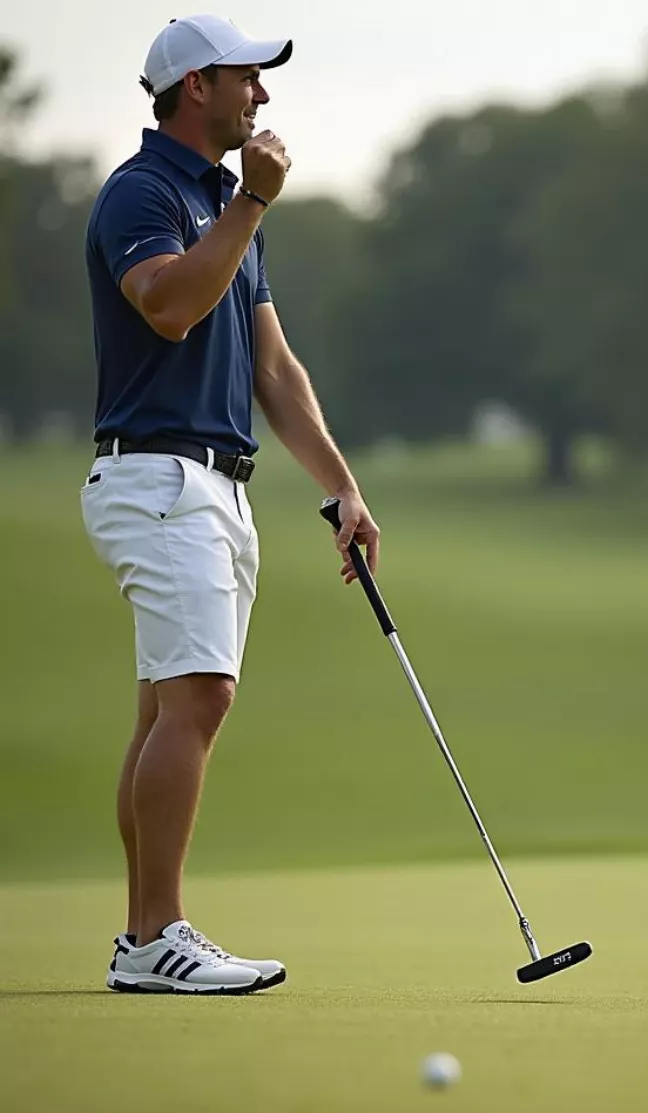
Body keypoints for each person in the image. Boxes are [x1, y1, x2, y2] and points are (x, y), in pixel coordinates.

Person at [81, 15, 380, 994]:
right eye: (249, 79)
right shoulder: (146, 192)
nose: (263, 98)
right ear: (197, 85)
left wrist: (340, 487)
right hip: (157, 476)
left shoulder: (221, 200)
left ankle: (143, 937)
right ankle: (155, 935)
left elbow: (275, 369)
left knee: (168, 709)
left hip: (215, 484)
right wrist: (250, 202)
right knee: (200, 698)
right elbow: (167, 304)